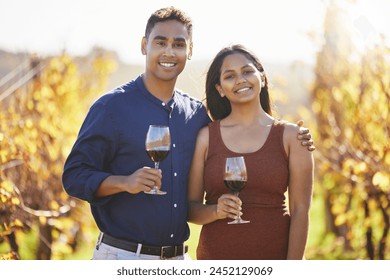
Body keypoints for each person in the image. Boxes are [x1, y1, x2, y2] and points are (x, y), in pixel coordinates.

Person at [62, 7, 314, 260]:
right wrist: (125, 182)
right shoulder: (112, 107)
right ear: (144, 45)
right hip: (124, 256)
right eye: (160, 42)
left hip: (178, 259)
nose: (169, 52)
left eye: (179, 44)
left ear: (189, 50)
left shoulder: (195, 116)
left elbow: (240, 136)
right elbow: (74, 176)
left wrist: (294, 136)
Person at [188, 44, 314, 260]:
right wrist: (215, 211)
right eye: (230, 76)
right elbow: (190, 208)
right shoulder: (206, 138)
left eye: (247, 71)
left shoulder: (293, 137)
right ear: (219, 88)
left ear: (262, 78)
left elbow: (301, 210)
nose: (240, 79)